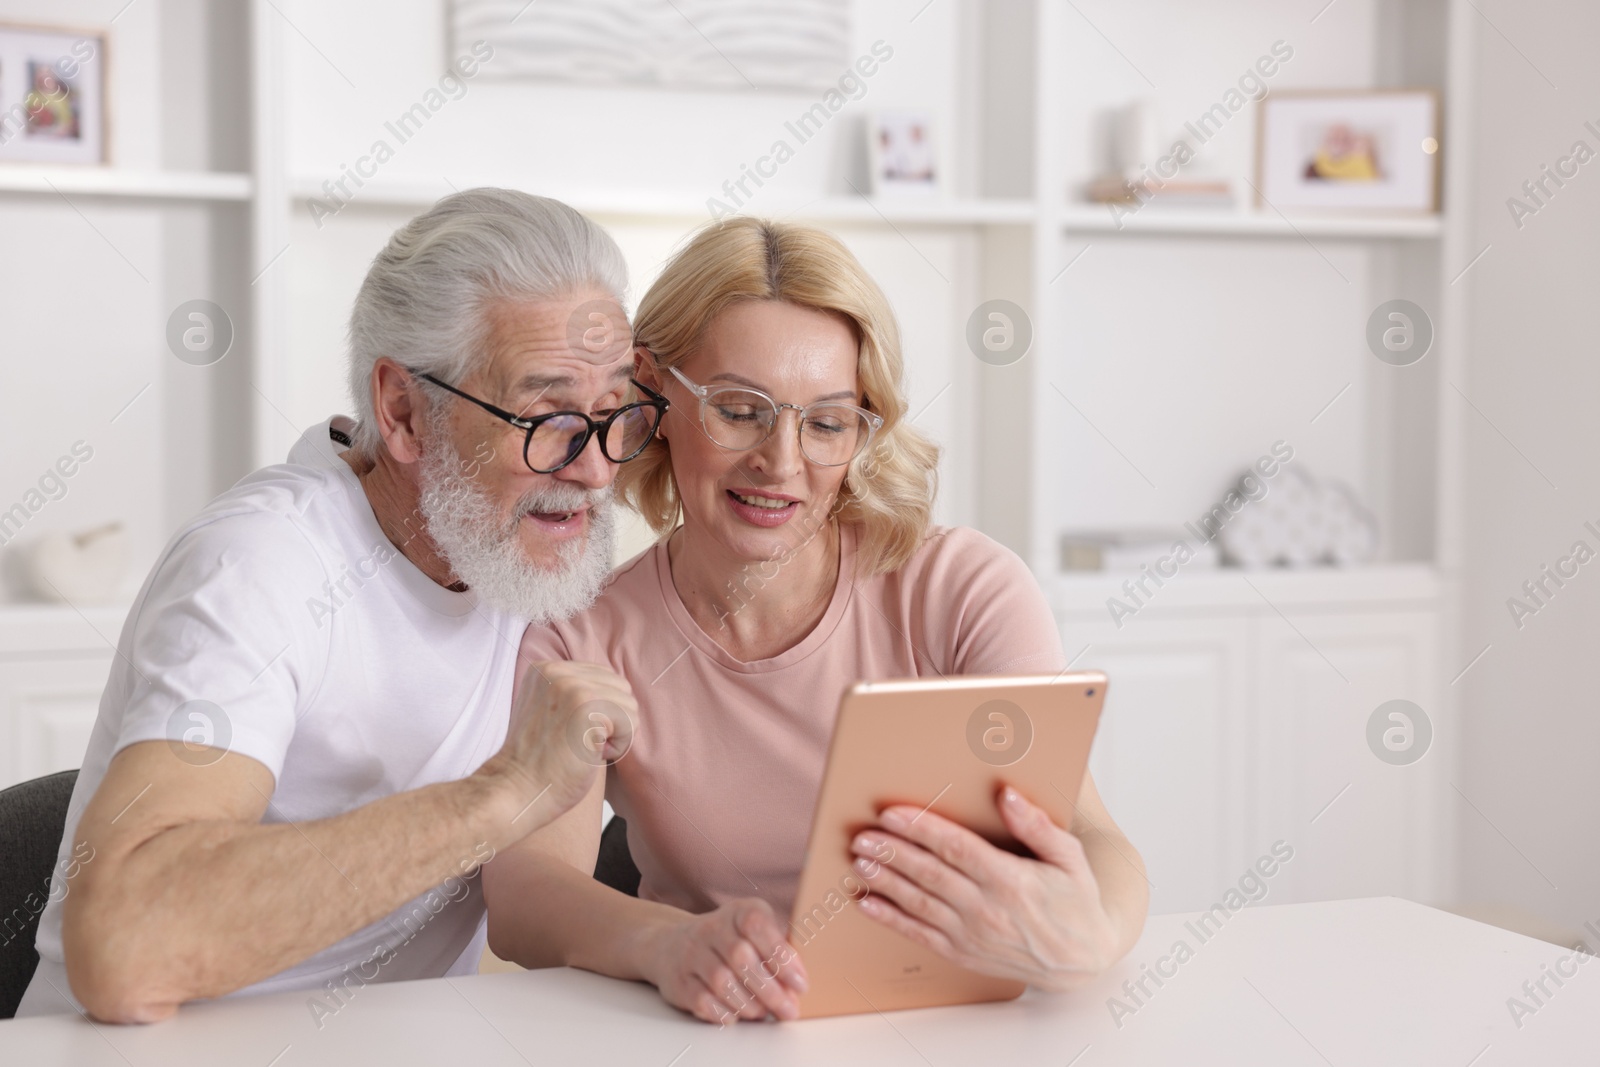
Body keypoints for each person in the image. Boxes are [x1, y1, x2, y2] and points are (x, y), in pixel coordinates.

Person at [484, 217, 1149, 1024]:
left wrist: (1095, 933)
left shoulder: (962, 590)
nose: (783, 461)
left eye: (827, 422)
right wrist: (668, 943)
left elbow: (1092, 837)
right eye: (740, 410)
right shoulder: (583, 634)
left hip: (951, 1027)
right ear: (652, 398)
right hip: (713, 1033)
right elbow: (524, 892)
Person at [16, 189, 658, 1022]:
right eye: (547, 417)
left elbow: (542, 910)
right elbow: (123, 950)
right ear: (401, 412)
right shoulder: (263, 563)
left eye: (611, 414)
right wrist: (501, 794)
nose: (597, 470)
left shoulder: (533, 564)